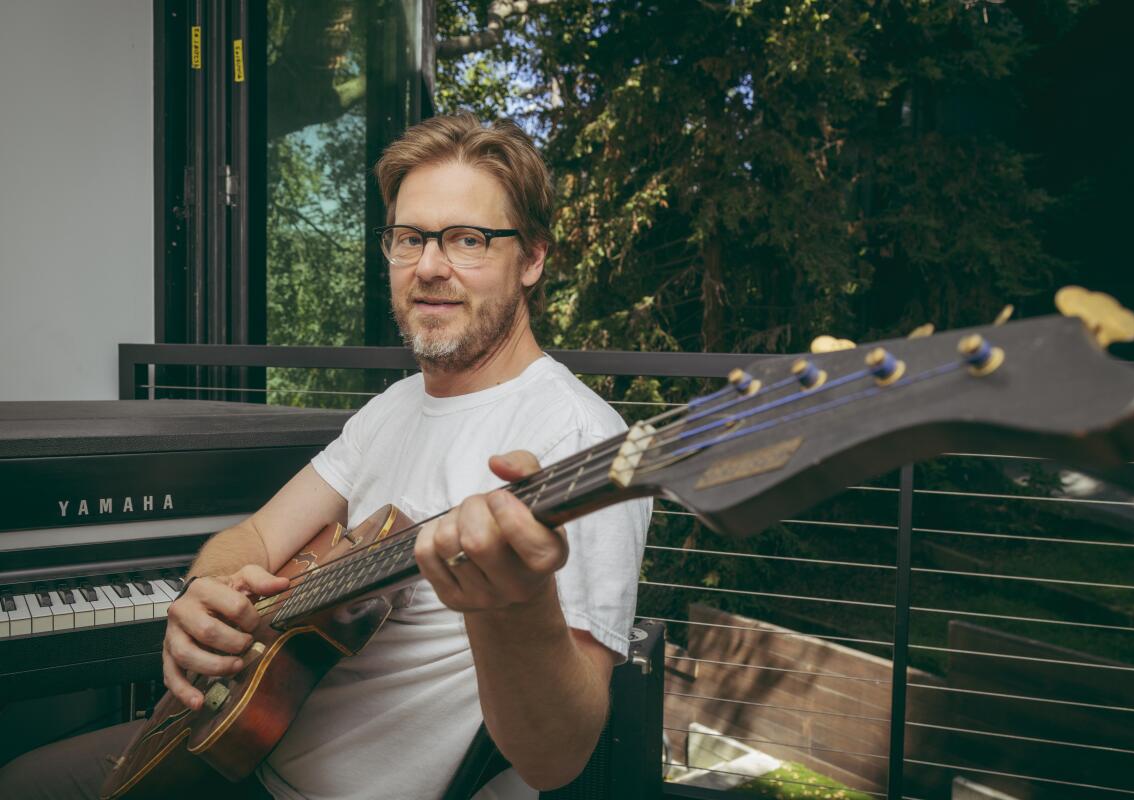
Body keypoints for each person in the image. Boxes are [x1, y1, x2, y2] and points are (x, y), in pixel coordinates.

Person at [0, 114, 651, 800]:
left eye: (468, 239)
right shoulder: (392, 408)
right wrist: (203, 596)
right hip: (241, 746)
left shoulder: (576, 438)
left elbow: (559, 758)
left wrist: (515, 607)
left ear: (533, 258)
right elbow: (250, 538)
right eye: (410, 238)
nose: (430, 266)